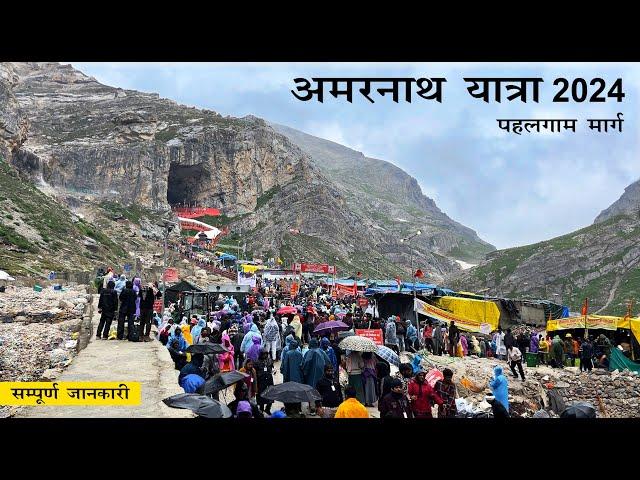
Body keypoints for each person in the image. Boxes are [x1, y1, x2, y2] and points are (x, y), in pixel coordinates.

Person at [255, 350, 274, 415]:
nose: (265, 356)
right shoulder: (257, 362)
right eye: (263, 354)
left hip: (269, 380)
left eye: (266, 354)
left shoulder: (269, 360)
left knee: (271, 394)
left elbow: (271, 368)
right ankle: (261, 409)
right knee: (261, 395)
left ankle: (268, 409)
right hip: (261, 381)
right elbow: (255, 373)